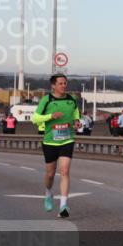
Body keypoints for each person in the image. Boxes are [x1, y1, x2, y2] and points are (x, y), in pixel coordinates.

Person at [33, 75, 81, 217]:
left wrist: (77, 120)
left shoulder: (71, 99)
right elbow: (35, 118)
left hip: (67, 139)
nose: (63, 85)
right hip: (50, 141)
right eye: (60, 83)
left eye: (65, 83)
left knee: (65, 171)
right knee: (50, 174)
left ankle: (63, 206)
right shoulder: (47, 100)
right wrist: (50, 116)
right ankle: (48, 194)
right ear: (53, 86)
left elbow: (75, 111)